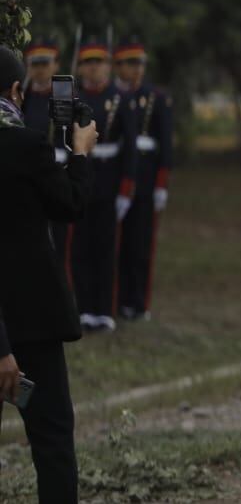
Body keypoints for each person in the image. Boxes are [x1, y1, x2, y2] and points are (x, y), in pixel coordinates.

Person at [0, 45, 97, 503]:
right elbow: (69, 203)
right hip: (31, 321)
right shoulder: (25, 145)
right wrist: (78, 153)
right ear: (17, 91)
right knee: (52, 439)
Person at [72, 36, 136, 332]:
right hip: (82, 175)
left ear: (108, 66)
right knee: (80, 246)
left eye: (98, 62)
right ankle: (83, 307)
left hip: (109, 180)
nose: (93, 68)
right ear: (80, 67)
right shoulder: (73, 97)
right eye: (88, 62)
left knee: (106, 246)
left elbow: (131, 147)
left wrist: (126, 189)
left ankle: (104, 309)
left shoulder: (120, 98)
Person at [113, 36, 173, 322]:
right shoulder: (113, 95)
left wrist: (161, 185)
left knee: (140, 244)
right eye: (130, 63)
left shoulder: (155, 98)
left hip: (146, 179)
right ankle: (114, 298)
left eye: (140, 63)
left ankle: (137, 302)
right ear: (118, 66)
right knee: (115, 244)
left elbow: (166, 145)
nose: (136, 69)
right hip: (116, 175)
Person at [21, 37, 71, 268]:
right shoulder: (22, 95)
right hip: (27, 175)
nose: (40, 70)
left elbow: (73, 135)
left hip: (56, 173)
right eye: (35, 64)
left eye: (45, 63)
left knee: (57, 242)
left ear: (56, 65)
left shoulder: (63, 94)